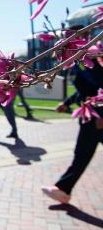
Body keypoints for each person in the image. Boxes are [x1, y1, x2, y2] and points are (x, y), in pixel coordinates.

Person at [42, 57, 103, 204]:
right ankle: (63, 189)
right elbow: (86, 91)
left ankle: (63, 189)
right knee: (82, 154)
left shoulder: (93, 63)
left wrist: (102, 115)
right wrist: (66, 103)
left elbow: (99, 89)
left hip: (96, 118)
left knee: (82, 154)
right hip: (90, 115)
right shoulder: (81, 63)